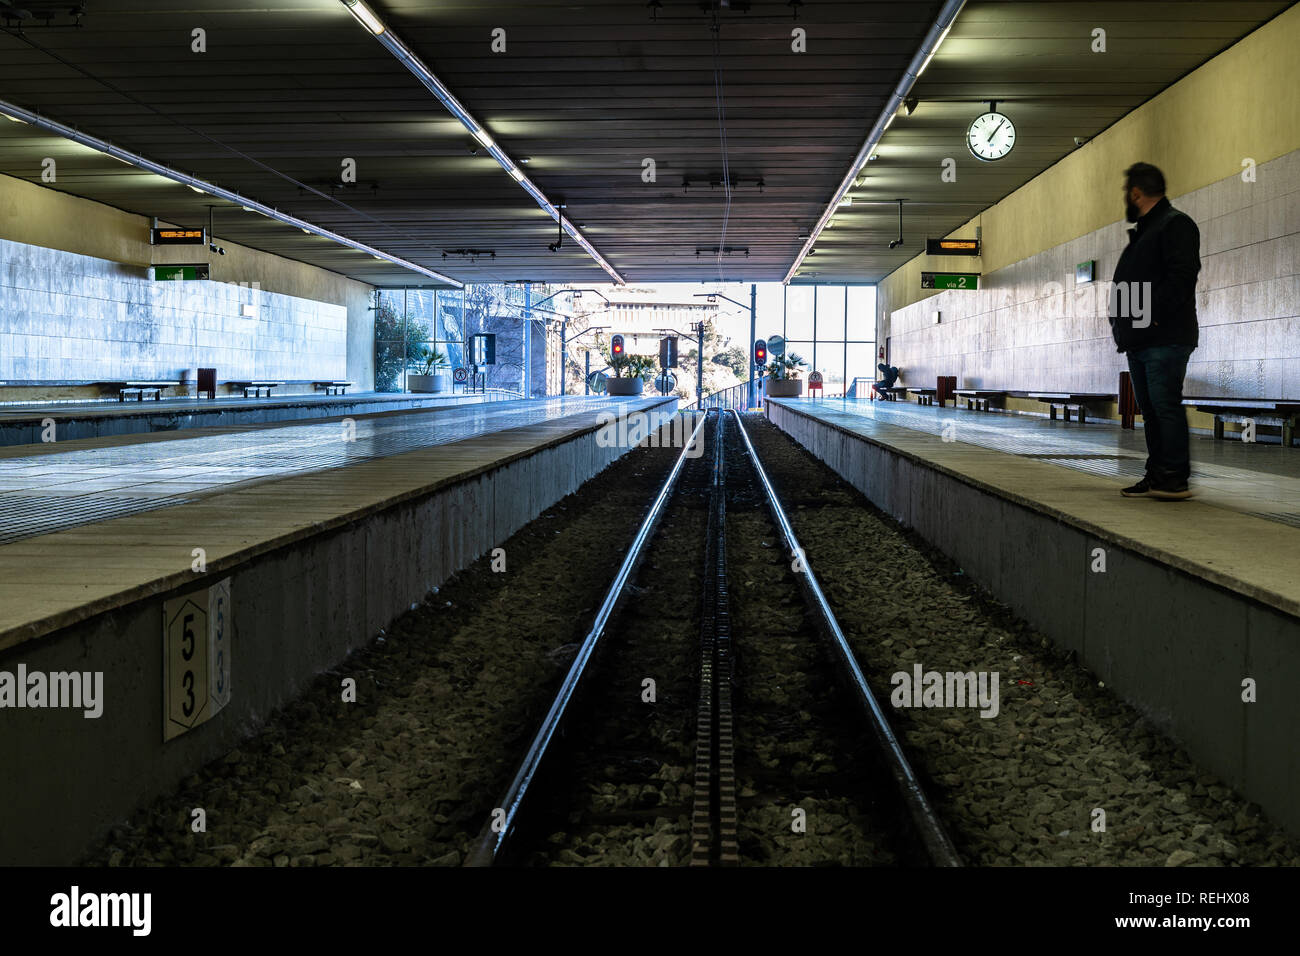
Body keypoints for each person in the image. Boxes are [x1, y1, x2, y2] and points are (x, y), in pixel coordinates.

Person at [1108, 162, 1201, 500]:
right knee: (1150, 409)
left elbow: (1181, 278)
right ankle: (1158, 472)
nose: (1126, 200)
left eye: (1126, 194)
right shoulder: (1147, 231)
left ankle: (1175, 476)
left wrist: (1151, 318)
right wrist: (1123, 327)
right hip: (1140, 338)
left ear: (1136, 193)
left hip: (1164, 336)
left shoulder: (1174, 225)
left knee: (1165, 405)